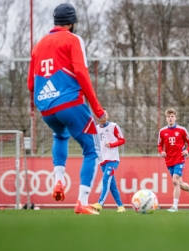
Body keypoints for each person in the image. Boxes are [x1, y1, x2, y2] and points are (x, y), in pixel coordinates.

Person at [27, 3, 105, 215]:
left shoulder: (39, 44)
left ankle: (59, 180)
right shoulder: (73, 39)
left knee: (59, 135)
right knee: (92, 150)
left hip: (46, 108)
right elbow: (81, 73)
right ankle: (81, 202)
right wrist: (98, 110)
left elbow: (30, 85)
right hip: (70, 104)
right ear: (72, 23)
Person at [158, 108, 189, 212]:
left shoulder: (182, 130)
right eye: (168, 117)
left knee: (175, 181)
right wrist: (161, 152)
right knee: (180, 184)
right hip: (169, 160)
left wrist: (187, 151)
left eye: (172, 116)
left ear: (175, 118)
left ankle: (175, 207)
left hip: (180, 159)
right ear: (166, 118)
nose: (170, 118)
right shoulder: (162, 131)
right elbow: (159, 145)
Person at [91, 110, 126, 213]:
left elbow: (122, 140)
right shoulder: (96, 129)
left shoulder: (113, 126)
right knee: (112, 185)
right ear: (98, 117)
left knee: (106, 179)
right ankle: (121, 206)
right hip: (102, 160)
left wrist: (112, 144)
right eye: (101, 115)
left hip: (112, 159)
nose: (103, 116)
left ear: (107, 115)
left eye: (105, 114)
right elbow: (95, 144)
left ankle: (100, 203)